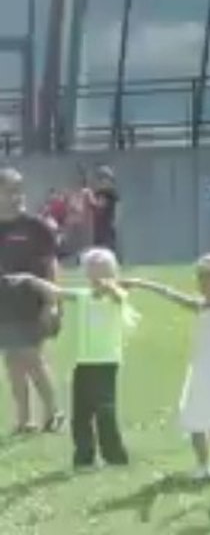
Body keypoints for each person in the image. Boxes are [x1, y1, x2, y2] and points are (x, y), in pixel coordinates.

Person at [124, 256, 210, 480]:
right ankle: (202, 465)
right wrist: (141, 283)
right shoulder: (199, 305)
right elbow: (169, 294)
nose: (204, 282)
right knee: (195, 419)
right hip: (201, 369)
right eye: (201, 277)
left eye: (209, 277)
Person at [6, 248, 136, 468]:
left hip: (106, 363)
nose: (96, 278)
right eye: (92, 273)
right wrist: (31, 280)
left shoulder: (117, 297)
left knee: (105, 411)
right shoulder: (84, 296)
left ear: (112, 272)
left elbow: (118, 295)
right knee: (81, 413)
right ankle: (84, 456)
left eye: (101, 272)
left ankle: (114, 456)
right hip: (83, 363)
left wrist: (109, 287)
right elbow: (57, 292)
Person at [0, 167, 64, 435]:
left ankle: (53, 411)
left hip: (33, 303)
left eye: (18, 191)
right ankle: (24, 419)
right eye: (9, 191)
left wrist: (53, 303)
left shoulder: (37, 227)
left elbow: (52, 266)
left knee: (32, 357)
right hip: (4, 305)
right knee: (12, 361)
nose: (16, 197)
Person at [88, 166, 119, 253]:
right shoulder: (109, 192)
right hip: (105, 223)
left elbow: (99, 205)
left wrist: (89, 196)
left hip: (105, 224)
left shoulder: (107, 192)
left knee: (105, 246)